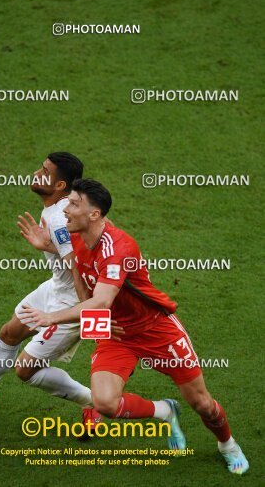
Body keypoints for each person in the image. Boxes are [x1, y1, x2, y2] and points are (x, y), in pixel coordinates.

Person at [18, 178, 249, 475]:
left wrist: (53, 317)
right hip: (118, 334)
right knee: (104, 404)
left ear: (95, 214)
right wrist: (48, 246)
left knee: (202, 403)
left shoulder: (119, 248)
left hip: (156, 329)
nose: (66, 208)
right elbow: (79, 273)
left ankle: (227, 444)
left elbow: (101, 301)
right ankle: (164, 410)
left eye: (74, 203)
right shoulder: (74, 234)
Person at [0, 153, 101, 430]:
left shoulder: (61, 217)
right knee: (9, 333)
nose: (35, 173)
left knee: (25, 369)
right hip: (56, 287)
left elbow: (77, 265)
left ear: (59, 185)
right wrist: (49, 247)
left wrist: (87, 313)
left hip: (73, 299)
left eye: (44, 171)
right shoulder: (60, 207)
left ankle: (93, 402)